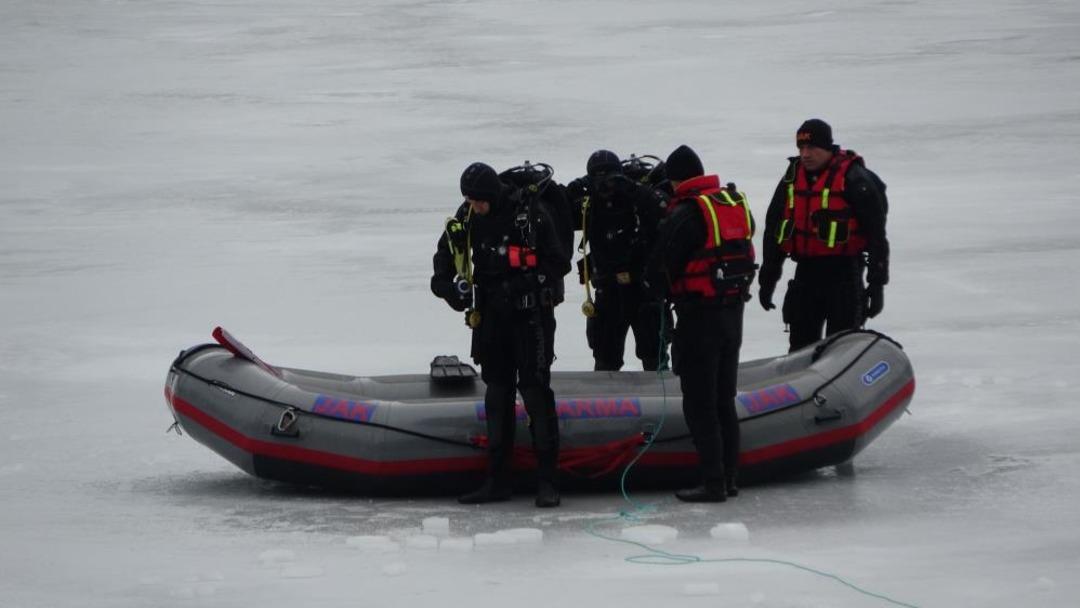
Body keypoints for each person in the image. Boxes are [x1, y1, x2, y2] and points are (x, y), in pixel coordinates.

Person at [431, 161, 571, 508]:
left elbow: (558, 262)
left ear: (492, 195)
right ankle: (497, 480)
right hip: (493, 319)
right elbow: (442, 263)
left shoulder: (530, 214)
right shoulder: (467, 217)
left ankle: (548, 482)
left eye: (479, 201)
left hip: (531, 317)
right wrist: (451, 289)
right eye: (470, 201)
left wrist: (518, 276)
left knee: (536, 394)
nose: (474, 206)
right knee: (497, 395)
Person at [644, 145, 756, 502]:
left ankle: (713, 482)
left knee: (700, 403)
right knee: (724, 398)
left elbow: (659, 269)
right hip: (732, 314)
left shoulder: (688, 213)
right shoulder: (729, 203)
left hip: (699, 318)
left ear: (677, 180)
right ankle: (731, 477)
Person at [757, 119, 890, 352]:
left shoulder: (854, 178)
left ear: (828, 148)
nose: (805, 154)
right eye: (801, 148)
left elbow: (876, 235)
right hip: (806, 273)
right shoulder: (792, 178)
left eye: (811, 148)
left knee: (841, 348)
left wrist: (876, 284)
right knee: (800, 346)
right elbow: (774, 229)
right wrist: (768, 278)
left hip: (845, 275)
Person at [564, 150, 671, 371]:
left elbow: (664, 209)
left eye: (609, 179)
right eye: (598, 179)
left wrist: (633, 189)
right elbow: (561, 214)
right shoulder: (590, 204)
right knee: (605, 358)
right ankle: (604, 401)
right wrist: (573, 189)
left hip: (644, 290)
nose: (606, 187)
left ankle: (661, 398)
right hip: (608, 290)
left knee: (654, 355)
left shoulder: (638, 198)